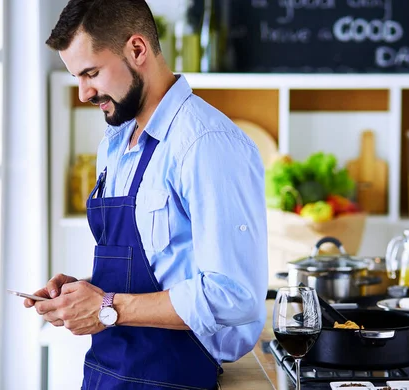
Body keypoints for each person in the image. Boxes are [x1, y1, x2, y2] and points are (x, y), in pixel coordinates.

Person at [25, 0, 268, 388]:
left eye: (91, 73)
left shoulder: (207, 143)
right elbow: (161, 264)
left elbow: (234, 295)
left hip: (174, 377)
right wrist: (84, 295)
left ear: (137, 50)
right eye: (77, 77)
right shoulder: (116, 142)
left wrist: (106, 306)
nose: (84, 92)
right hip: (108, 374)